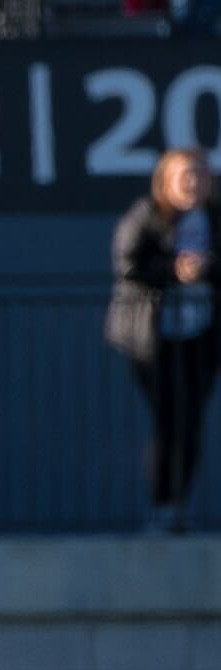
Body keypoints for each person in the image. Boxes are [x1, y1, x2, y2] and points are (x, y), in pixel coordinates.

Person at [107, 148, 217, 534]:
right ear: (165, 181)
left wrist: (206, 268)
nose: (192, 184)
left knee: (189, 422)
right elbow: (128, 264)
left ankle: (178, 505)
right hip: (153, 340)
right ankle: (162, 506)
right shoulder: (146, 216)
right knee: (168, 420)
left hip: (200, 336)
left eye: (198, 176)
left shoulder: (214, 218)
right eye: (183, 176)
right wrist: (174, 270)